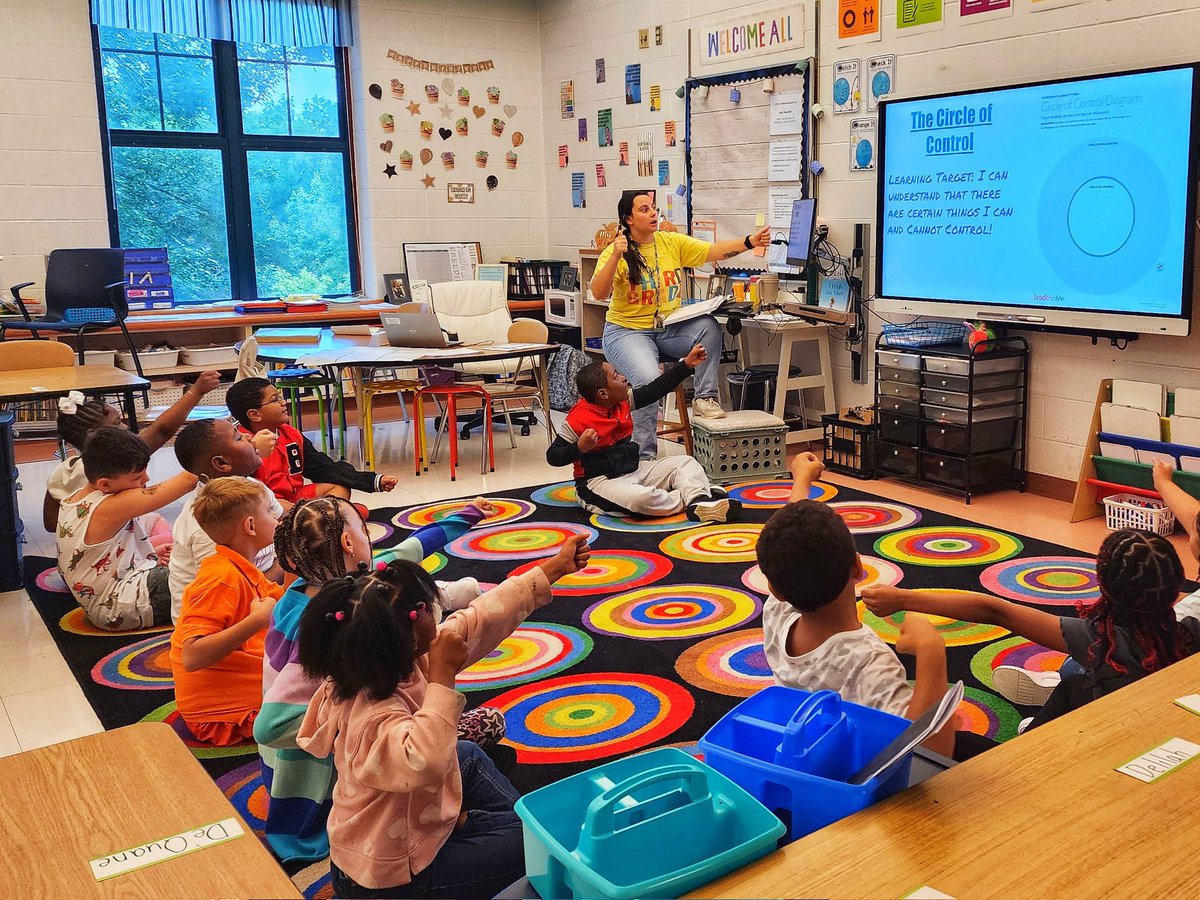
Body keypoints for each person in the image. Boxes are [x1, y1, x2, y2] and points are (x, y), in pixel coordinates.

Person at [296, 534, 592, 898]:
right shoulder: (371, 715)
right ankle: (506, 834)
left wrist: (554, 568)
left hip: (412, 822)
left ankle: (485, 825)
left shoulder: (389, 663)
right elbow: (424, 761)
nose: (435, 610)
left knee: (466, 755)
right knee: (542, 840)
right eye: (424, 606)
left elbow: (479, 619)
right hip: (391, 879)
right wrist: (443, 678)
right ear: (402, 635)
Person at [255, 495, 500, 864]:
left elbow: (409, 550)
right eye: (363, 529)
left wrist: (468, 514)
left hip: (346, 746)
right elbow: (269, 726)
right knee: (473, 732)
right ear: (348, 544)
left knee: (465, 731)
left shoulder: (340, 589)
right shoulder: (322, 626)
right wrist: (345, 718)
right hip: (314, 779)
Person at [863, 527, 1200, 731]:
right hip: (1153, 712)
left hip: (1112, 726)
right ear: (1175, 588)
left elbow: (995, 610)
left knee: (1075, 679)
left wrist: (903, 598)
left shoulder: (1099, 639)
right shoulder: (1189, 634)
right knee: (1076, 667)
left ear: (1103, 584)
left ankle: (1033, 735)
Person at [757, 452, 956, 757]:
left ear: (775, 587)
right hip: (848, 773)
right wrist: (931, 650)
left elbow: (790, 545)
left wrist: (801, 478)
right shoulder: (868, 661)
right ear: (858, 566)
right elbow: (929, 755)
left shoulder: (778, 610)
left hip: (799, 750)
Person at [591, 190, 770, 458]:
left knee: (708, 326)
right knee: (649, 381)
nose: (652, 213)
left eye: (653, 207)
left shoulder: (670, 242)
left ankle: (703, 397)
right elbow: (598, 293)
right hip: (626, 333)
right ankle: (644, 456)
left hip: (667, 329)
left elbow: (713, 251)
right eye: (643, 210)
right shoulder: (616, 250)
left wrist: (748, 241)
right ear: (628, 218)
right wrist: (616, 256)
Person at [546, 351, 741, 522]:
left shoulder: (622, 401)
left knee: (685, 463)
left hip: (633, 468)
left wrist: (686, 365)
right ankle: (694, 496)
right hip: (599, 482)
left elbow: (655, 390)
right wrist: (579, 448)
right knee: (641, 500)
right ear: (604, 394)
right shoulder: (578, 419)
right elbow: (553, 456)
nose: (623, 378)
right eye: (616, 376)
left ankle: (700, 502)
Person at [170, 477, 282, 745]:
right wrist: (257, 620)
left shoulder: (239, 566)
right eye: (270, 510)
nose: (277, 518)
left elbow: (285, 603)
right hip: (221, 715)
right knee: (329, 697)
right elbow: (193, 656)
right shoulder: (221, 576)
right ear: (250, 526)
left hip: (237, 688)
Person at [55, 426, 198, 631]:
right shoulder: (108, 507)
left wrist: (147, 556)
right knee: (210, 571)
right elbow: (187, 481)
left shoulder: (76, 498)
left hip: (111, 600)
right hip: (122, 608)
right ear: (105, 484)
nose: (146, 480)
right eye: (137, 478)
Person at [43, 370, 222, 533]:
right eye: (116, 423)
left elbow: (51, 523)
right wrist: (196, 391)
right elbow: (161, 431)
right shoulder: (114, 460)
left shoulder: (62, 472)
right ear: (94, 436)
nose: (125, 427)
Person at [168, 418, 285, 623]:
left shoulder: (249, 485)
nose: (250, 437)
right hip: (221, 622)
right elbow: (233, 593)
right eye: (239, 437)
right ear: (222, 463)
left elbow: (283, 518)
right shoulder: (208, 526)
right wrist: (288, 562)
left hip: (257, 589)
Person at [225, 377, 398, 509]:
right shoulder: (239, 441)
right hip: (265, 504)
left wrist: (372, 480)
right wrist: (253, 450)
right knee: (270, 504)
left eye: (280, 397)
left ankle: (317, 518)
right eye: (275, 399)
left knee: (339, 487)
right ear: (255, 415)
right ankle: (319, 518)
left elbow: (323, 468)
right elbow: (235, 489)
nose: (283, 402)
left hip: (295, 497)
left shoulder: (290, 434)